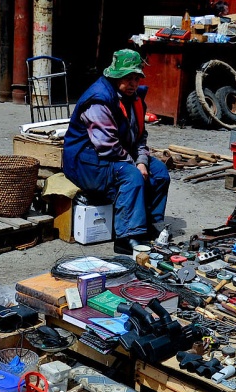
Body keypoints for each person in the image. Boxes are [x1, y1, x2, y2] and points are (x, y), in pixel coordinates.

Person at [63, 49, 170, 255]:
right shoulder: (98, 100)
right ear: (114, 76)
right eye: (126, 78)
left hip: (118, 154)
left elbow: (140, 137)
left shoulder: (136, 99)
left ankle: (148, 224)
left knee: (160, 172)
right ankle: (126, 237)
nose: (132, 83)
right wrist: (135, 165)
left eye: (136, 78)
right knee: (131, 176)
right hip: (86, 162)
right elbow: (107, 145)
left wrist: (141, 161)